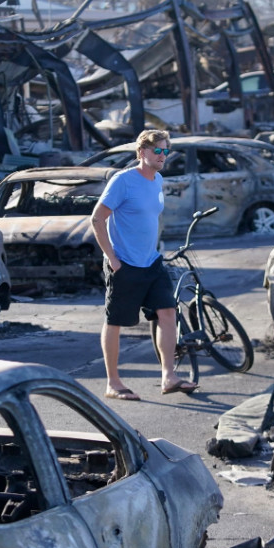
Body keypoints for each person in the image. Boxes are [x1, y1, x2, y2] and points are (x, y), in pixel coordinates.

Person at [90, 129, 198, 401]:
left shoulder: (157, 180)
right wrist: (112, 259)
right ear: (142, 153)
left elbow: (151, 218)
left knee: (168, 312)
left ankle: (168, 376)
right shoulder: (123, 181)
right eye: (156, 151)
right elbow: (97, 219)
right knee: (115, 321)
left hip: (151, 261)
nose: (162, 156)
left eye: (165, 151)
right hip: (124, 264)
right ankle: (113, 383)